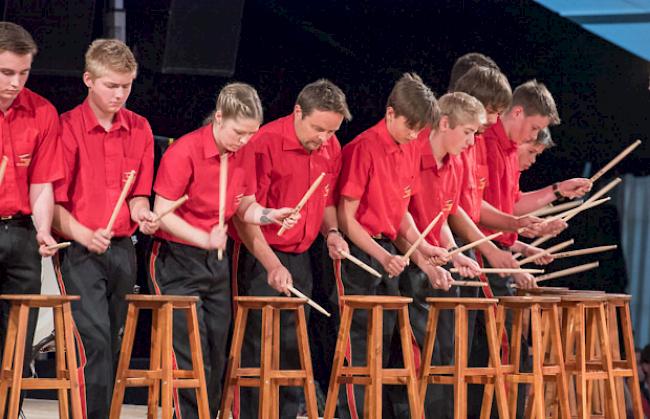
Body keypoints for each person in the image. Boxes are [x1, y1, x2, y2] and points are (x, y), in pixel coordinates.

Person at [149, 82, 296, 418]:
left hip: (215, 264)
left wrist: (270, 215)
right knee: (191, 352)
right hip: (177, 261)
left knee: (218, 350)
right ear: (218, 118)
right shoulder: (184, 151)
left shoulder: (242, 155)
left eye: (250, 134)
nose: (244, 141)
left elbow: (245, 207)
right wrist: (204, 239)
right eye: (239, 132)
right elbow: (162, 214)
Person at [232, 79, 351, 419]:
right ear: (298, 112)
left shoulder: (331, 146)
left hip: (301, 253)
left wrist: (332, 233)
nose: (324, 138)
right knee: (257, 345)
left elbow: (326, 199)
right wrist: (271, 264)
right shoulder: (264, 142)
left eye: (331, 131)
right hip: (260, 253)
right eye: (318, 129)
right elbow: (244, 216)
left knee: (291, 346)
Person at [52, 38, 156, 419]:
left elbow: (138, 195)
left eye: (126, 86)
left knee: (112, 342)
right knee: (91, 341)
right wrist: (82, 233)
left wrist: (143, 214)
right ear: (88, 80)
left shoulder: (140, 128)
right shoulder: (66, 128)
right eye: (111, 85)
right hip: (79, 250)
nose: (120, 94)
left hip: (122, 248)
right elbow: (54, 204)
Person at [334, 72, 446, 418]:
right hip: (358, 255)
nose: (414, 135)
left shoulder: (412, 146)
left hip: (388, 251)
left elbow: (400, 213)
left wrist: (424, 249)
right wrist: (381, 255)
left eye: (419, 129)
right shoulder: (364, 148)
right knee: (360, 346)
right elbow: (347, 218)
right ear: (390, 113)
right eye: (409, 126)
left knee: (389, 346)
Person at [390, 92, 486, 418]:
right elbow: (401, 221)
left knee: (446, 355)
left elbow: (442, 217)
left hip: (435, 263)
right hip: (411, 264)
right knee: (415, 357)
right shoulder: (412, 156)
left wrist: (455, 253)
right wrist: (425, 261)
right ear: (445, 123)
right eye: (468, 132)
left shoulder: (454, 162)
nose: (472, 142)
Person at [0, 21, 63, 415]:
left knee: (18, 336)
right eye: (6, 73)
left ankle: (9, 409)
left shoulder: (42, 112)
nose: (15, 82)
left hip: (21, 234)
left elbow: (41, 184)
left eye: (23, 73)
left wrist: (42, 230)